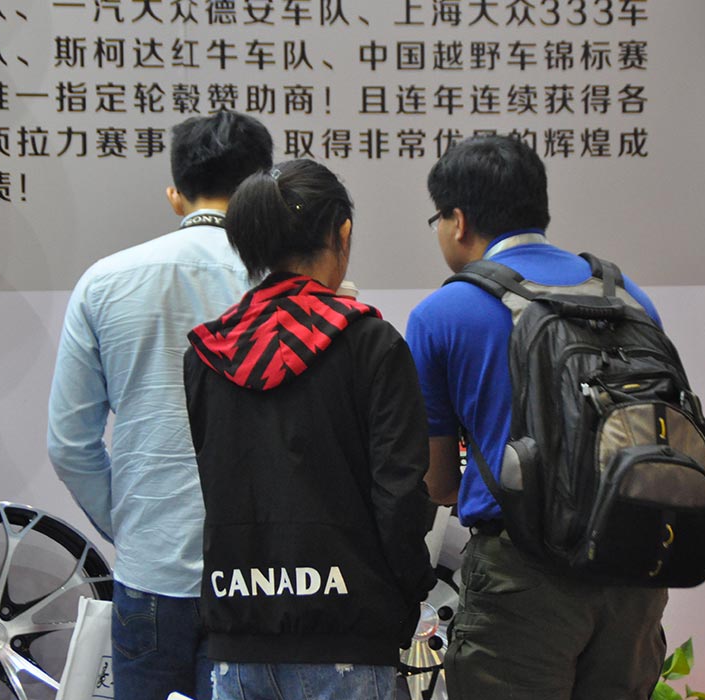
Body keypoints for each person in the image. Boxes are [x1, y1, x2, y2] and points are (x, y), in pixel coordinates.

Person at [405, 135, 667, 700]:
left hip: (520, 577)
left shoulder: (441, 314)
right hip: (631, 567)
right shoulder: (628, 298)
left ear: (457, 220)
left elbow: (438, 481)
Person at [184, 159, 436, 700]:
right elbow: (399, 496)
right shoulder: (371, 344)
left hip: (236, 637)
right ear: (341, 234)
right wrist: (412, 588)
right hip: (349, 636)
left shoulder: (207, 354)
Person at [47, 111, 274, 700]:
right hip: (265, 575)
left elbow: (69, 445)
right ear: (265, 188)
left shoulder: (104, 281)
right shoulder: (289, 285)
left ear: (176, 195)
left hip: (150, 571)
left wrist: (130, 525)